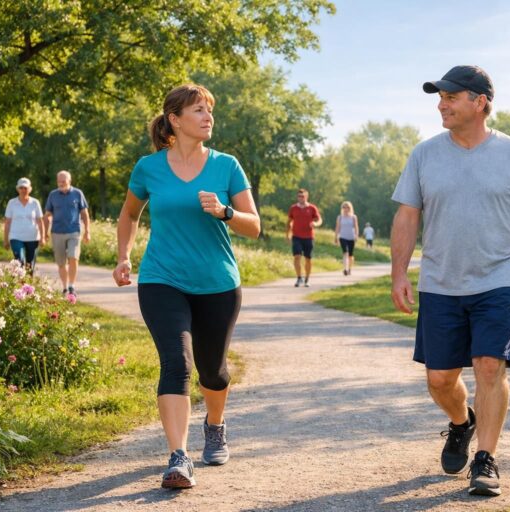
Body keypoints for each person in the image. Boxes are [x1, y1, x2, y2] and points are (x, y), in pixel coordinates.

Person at [390, 65, 510, 497]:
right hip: (440, 282)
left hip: (498, 279)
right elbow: (407, 216)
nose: (442, 104)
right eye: (439, 97)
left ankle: (486, 459)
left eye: (451, 96)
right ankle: (462, 423)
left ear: (479, 102)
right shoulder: (424, 154)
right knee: (440, 379)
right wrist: (399, 273)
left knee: (488, 366)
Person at [112, 83, 260, 490]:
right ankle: (178, 455)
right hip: (162, 279)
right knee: (177, 362)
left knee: (212, 371)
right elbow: (128, 215)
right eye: (198, 110)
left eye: (209, 110)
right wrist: (124, 256)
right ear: (174, 120)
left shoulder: (226, 165)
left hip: (217, 283)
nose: (208, 116)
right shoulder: (148, 168)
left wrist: (225, 211)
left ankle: (215, 424)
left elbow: (255, 225)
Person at [44, 170, 90, 296]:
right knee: (61, 263)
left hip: (74, 232)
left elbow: (85, 214)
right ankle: (64, 287)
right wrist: (45, 233)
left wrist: (87, 232)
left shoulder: (77, 194)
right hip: (57, 232)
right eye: (59, 181)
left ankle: (71, 286)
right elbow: (47, 215)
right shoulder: (53, 195)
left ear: (69, 181)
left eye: (63, 181)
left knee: (73, 257)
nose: (61, 183)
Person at [3, 177, 45, 274]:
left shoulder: (35, 203)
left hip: (33, 237)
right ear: (17, 189)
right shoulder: (12, 203)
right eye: (21, 188)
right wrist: (5, 239)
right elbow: (7, 222)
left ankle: (29, 286)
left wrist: (42, 237)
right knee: (19, 260)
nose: (23, 190)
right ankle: (20, 284)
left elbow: (40, 221)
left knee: (30, 264)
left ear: (30, 189)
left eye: (25, 188)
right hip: (16, 236)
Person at [286, 188, 322, 287]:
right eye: (299, 196)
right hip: (296, 236)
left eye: (302, 196)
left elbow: (319, 220)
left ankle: (307, 279)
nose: (300, 198)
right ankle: (299, 278)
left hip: (308, 237)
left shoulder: (312, 208)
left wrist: (315, 223)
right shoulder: (293, 208)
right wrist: (287, 235)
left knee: (308, 259)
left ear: (306, 197)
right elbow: (289, 222)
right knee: (297, 256)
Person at [335, 201, 359, 275]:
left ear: (350, 208)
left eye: (348, 207)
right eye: (344, 207)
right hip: (343, 237)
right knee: (345, 252)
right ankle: (345, 269)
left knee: (350, 255)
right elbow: (337, 227)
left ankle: (349, 268)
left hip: (351, 237)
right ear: (342, 208)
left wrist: (356, 235)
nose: (346, 209)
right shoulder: (340, 217)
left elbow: (356, 227)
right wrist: (336, 237)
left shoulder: (353, 217)